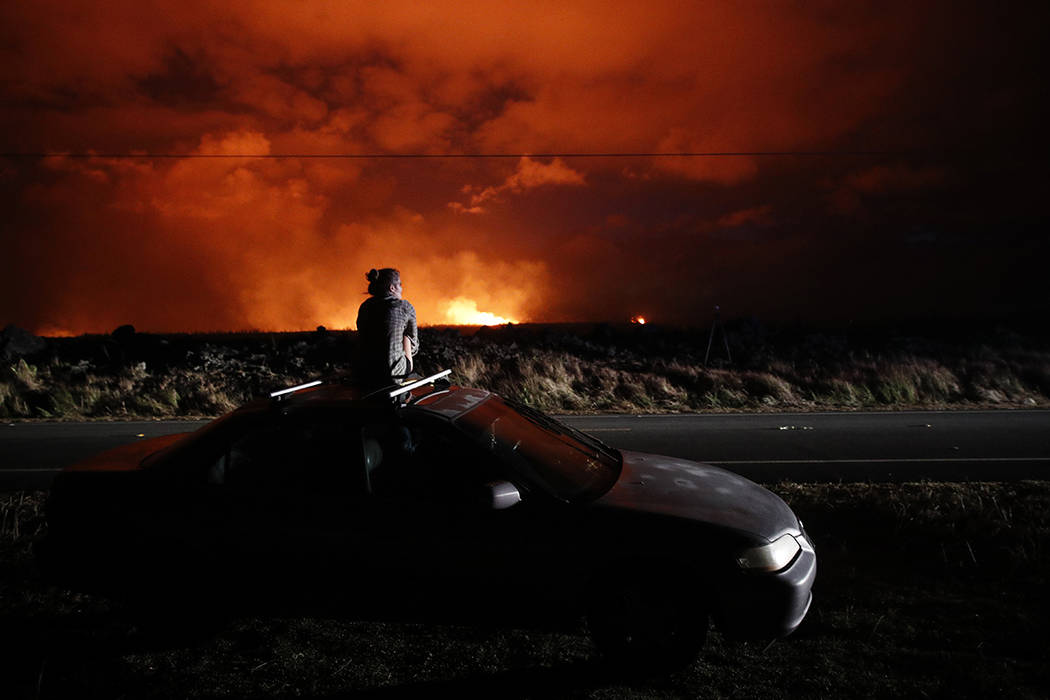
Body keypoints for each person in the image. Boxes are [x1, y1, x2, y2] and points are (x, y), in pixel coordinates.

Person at [355, 267, 419, 388]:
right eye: (400, 284)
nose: (402, 288)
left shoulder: (365, 306)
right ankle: (402, 372)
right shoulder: (405, 306)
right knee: (407, 337)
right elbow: (414, 347)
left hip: (366, 371)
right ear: (392, 288)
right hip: (393, 374)